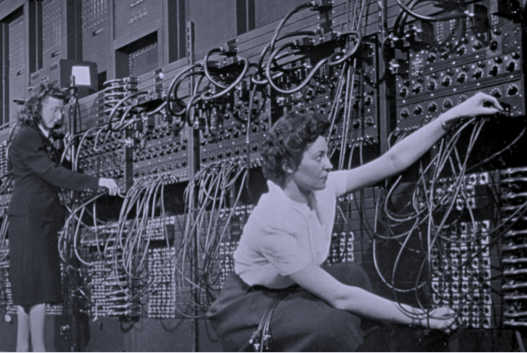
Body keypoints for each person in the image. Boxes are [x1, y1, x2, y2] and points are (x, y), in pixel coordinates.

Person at [207, 92, 503, 352]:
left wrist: (452, 115)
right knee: (334, 326)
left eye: (328, 155)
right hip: (248, 305)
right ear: (288, 165)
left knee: (353, 274)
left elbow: (390, 162)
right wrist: (421, 316)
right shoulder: (271, 220)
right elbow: (340, 297)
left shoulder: (321, 187)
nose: (329, 164)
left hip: (286, 286)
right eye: (319, 157)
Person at [7, 82, 120, 352]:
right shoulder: (27, 136)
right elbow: (53, 174)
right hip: (30, 218)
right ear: (36, 108)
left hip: (37, 218)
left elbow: (57, 170)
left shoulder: (41, 139)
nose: (60, 115)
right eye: (54, 109)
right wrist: (98, 181)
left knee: (29, 291)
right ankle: (38, 350)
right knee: (34, 289)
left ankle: (25, 349)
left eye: (62, 110)